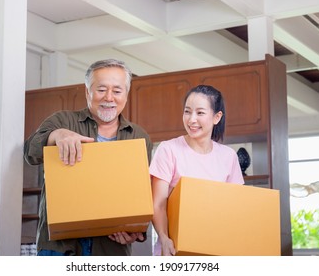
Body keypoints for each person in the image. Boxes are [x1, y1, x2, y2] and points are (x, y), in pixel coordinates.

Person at [24, 59, 153, 256]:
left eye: (117, 91)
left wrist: (136, 232)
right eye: (101, 89)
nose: (109, 97)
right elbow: (29, 153)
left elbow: (141, 193)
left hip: (111, 249)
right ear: (87, 92)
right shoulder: (63, 120)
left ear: (126, 94)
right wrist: (56, 135)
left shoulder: (139, 136)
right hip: (60, 248)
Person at [149, 84, 245, 256]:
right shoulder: (168, 149)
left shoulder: (229, 156)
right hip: (174, 249)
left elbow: (235, 208)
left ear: (217, 117)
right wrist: (163, 237)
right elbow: (159, 204)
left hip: (217, 248)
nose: (191, 119)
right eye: (187, 111)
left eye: (200, 113)